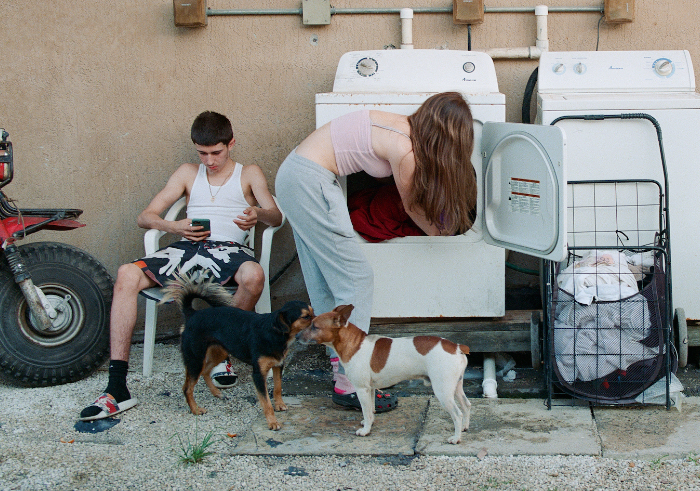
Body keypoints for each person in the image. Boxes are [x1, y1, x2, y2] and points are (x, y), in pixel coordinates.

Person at [275, 91, 476, 412]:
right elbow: (412, 208)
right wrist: (442, 233)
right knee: (356, 276)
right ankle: (350, 383)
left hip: (302, 175)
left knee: (327, 280)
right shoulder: (406, 150)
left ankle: (339, 367)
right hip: (308, 180)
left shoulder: (402, 127)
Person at [79, 112, 283, 420]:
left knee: (254, 275)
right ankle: (117, 386)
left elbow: (276, 216)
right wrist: (176, 227)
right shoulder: (188, 172)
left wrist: (257, 213)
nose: (210, 160)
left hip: (229, 251)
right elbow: (145, 217)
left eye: (217, 152)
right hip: (186, 248)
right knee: (126, 273)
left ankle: (221, 348)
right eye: (202, 153)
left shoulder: (248, 172)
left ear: (231, 144)